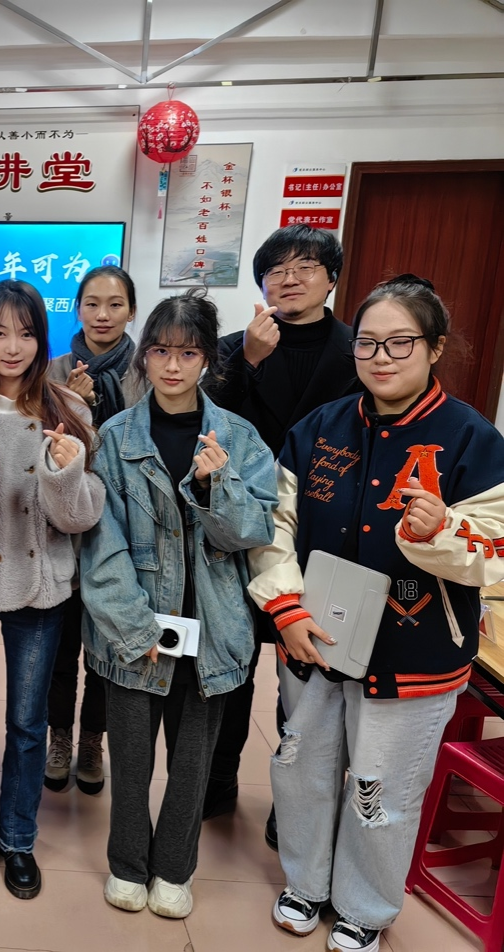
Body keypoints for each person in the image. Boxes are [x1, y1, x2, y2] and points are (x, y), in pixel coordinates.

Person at [249, 276, 504, 952]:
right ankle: (306, 882)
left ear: (435, 347)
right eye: (367, 343)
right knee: (300, 771)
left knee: (380, 789)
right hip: (315, 637)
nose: (381, 357)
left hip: (414, 653)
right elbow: (274, 527)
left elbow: (496, 550)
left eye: (400, 343)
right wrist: (284, 608)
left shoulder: (472, 439)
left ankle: (365, 906)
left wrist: (440, 532)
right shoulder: (319, 428)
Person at [81, 289, 277, 920]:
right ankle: (127, 865)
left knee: (192, 764)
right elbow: (100, 544)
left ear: (207, 360)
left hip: (211, 631)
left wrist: (219, 486)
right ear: (144, 356)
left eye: (188, 353)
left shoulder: (238, 438)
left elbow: (256, 531)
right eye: (161, 350)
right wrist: (133, 626)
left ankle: (174, 869)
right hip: (133, 630)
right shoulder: (115, 438)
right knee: (130, 761)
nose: (172, 365)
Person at [0, 280, 105, 900]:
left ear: (42, 338)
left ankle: (18, 837)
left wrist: (63, 475)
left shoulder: (70, 410)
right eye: (0, 332)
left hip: (40, 587)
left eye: (27, 332)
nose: (13, 347)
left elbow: (81, 518)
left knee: (29, 723)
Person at [205, 225, 359, 838]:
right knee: (232, 664)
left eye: (306, 266)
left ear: (331, 278)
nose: (290, 278)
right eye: (277, 269)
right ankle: (217, 782)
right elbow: (205, 420)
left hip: (320, 530)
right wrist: (248, 362)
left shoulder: (358, 352)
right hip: (239, 528)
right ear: (261, 282)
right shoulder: (231, 348)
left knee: (306, 673)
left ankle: (292, 803)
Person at [43, 264, 138, 795]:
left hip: (120, 530)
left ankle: (92, 741)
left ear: (131, 311)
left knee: (106, 646)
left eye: (115, 304)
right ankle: (59, 735)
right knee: (59, 649)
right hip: (60, 528)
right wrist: (70, 404)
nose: (103, 314)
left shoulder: (144, 373)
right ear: (77, 308)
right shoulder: (51, 369)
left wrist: (95, 411)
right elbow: (39, 448)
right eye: (92, 303)